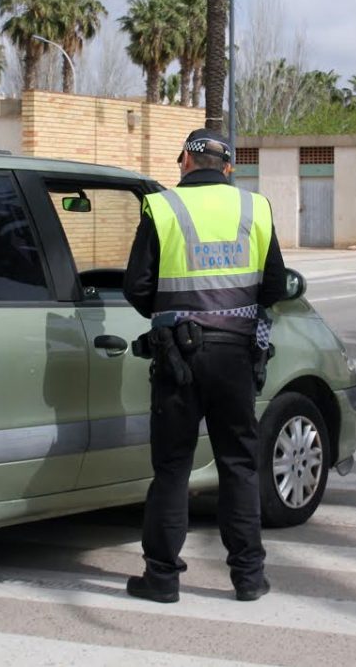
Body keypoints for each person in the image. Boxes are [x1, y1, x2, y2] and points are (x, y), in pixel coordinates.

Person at [123, 127, 287, 603]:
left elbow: (136, 287)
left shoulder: (162, 206)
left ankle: (161, 579)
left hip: (177, 356)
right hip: (236, 355)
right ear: (229, 167)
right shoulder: (255, 208)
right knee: (238, 465)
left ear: (185, 161)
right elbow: (274, 286)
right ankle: (249, 578)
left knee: (173, 468)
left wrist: (171, 315)